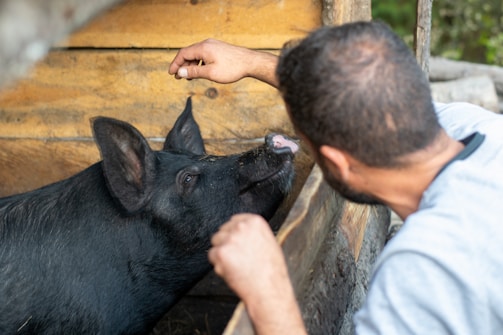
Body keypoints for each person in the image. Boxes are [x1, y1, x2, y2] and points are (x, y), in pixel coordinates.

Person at [169, 21, 503, 334]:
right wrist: (250, 62)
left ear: (337, 164)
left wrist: (267, 292)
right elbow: (363, 99)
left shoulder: (423, 269)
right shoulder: (477, 126)